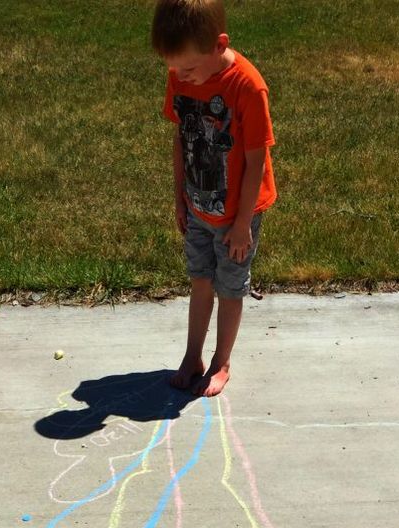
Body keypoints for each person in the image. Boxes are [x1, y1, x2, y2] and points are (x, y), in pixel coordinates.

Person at [151, 0, 277, 397]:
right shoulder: (182, 74)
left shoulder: (247, 86)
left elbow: (257, 160)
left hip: (236, 215)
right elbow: (180, 139)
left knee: (230, 287)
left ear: (218, 43)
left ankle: (222, 362)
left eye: (187, 69)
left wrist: (242, 226)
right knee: (200, 280)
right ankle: (193, 355)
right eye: (173, 69)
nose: (180, 77)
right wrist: (179, 198)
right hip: (198, 204)